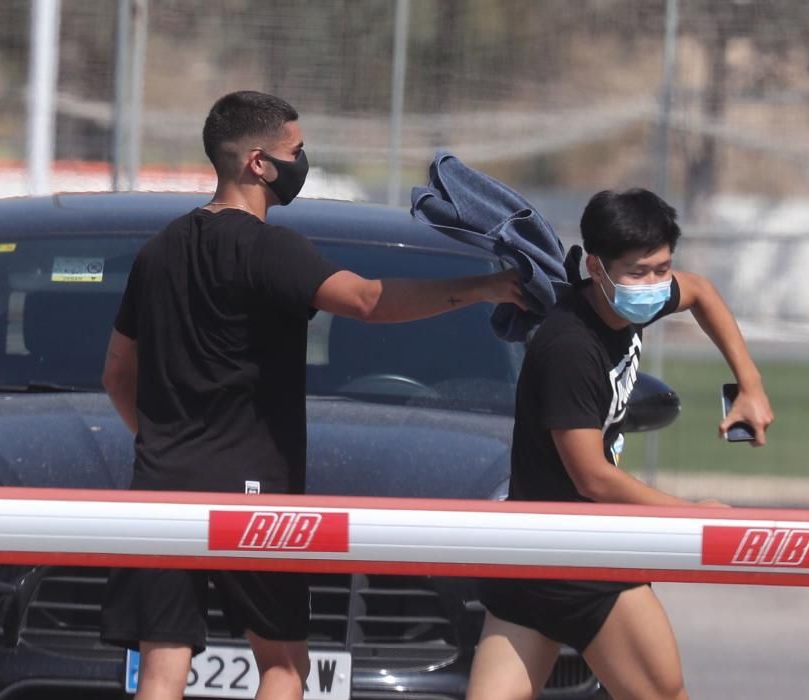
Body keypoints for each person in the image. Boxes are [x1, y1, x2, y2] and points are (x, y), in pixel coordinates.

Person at [98, 90, 525, 700]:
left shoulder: (158, 250)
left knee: (162, 669)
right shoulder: (271, 248)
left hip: (160, 483)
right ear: (257, 162)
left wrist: (161, 443)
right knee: (283, 666)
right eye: (295, 150)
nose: (303, 161)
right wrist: (482, 287)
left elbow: (116, 374)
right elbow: (366, 300)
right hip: (252, 495)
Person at [466, 188, 774, 700]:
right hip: (580, 557)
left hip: (533, 554)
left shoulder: (624, 303)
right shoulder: (570, 347)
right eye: (638, 272)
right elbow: (591, 475)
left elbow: (698, 290)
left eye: (661, 268)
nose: (654, 285)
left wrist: (750, 384)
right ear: (596, 267)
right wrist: (691, 515)